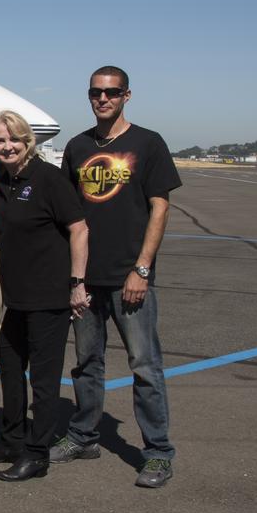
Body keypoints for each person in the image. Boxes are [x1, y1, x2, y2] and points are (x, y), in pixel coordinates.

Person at [52, 66, 181, 488]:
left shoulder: (148, 143)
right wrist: (74, 279)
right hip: (86, 280)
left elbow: (159, 208)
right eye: (96, 92)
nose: (103, 98)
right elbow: (71, 218)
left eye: (111, 92)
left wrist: (141, 269)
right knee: (86, 364)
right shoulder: (77, 146)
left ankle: (158, 452)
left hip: (130, 278)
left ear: (127, 95)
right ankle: (83, 436)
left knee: (145, 366)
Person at [0, 110, 89, 482]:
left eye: (14, 139)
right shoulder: (4, 182)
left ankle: (37, 453)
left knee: (44, 382)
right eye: (0, 140)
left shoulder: (48, 178)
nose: (8, 146)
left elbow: (78, 229)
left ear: (27, 141)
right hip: (16, 298)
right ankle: (13, 440)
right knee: (10, 366)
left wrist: (77, 282)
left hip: (47, 298)